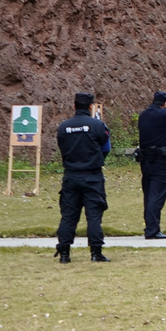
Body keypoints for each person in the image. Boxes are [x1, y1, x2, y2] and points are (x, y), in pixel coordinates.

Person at [56, 92, 112, 262]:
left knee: (69, 216)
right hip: (92, 176)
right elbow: (106, 148)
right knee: (94, 215)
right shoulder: (98, 126)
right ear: (90, 107)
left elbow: (62, 148)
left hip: (71, 176)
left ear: (74, 106)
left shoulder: (63, 127)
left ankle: (64, 253)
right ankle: (96, 252)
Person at [135, 92, 166, 240]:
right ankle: (152, 230)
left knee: (149, 193)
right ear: (165, 104)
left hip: (145, 161)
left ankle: (150, 227)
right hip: (159, 161)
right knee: (156, 194)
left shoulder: (143, 114)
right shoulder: (163, 114)